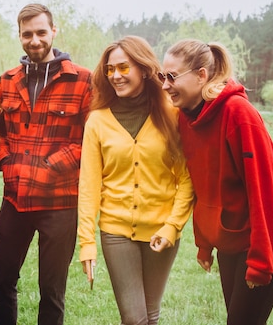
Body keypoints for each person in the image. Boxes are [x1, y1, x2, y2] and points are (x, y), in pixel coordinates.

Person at [161, 39, 273, 325]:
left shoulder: (238, 114)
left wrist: (262, 262)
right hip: (232, 237)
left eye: (172, 77)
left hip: (272, 237)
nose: (165, 85)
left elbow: (263, 192)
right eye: (163, 76)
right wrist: (204, 244)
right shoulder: (185, 118)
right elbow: (202, 186)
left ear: (202, 75)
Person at [77, 36, 194, 325]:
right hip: (116, 231)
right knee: (134, 318)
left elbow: (186, 178)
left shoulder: (171, 113)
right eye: (110, 69)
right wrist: (87, 242)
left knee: (150, 316)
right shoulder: (98, 120)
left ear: (143, 69)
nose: (116, 75)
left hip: (161, 231)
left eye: (124, 68)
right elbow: (89, 185)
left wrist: (172, 226)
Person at [0, 3, 92, 325]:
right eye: (27, 34)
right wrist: (8, 160)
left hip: (60, 204)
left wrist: (52, 165)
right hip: (15, 199)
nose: (34, 40)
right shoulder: (7, 81)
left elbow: (91, 140)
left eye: (40, 32)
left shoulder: (82, 81)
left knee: (51, 290)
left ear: (53, 32)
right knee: (3, 278)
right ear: (20, 36)